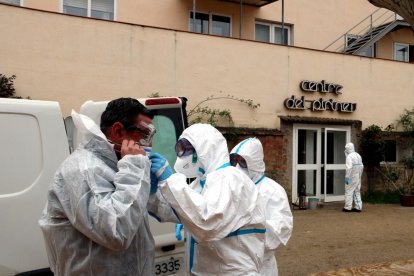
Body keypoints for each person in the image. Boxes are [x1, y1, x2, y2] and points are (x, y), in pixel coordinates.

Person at [39, 97, 156, 275]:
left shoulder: (116, 167)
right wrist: (135, 169)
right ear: (118, 130)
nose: (149, 144)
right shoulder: (83, 169)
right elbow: (116, 232)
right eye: (145, 135)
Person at [148, 123, 266, 275]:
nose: (182, 155)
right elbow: (180, 210)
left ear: (204, 149)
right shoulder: (203, 183)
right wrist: (152, 195)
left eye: (186, 149)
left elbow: (207, 222)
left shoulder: (231, 179)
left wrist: (170, 180)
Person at [230, 137, 293, 276]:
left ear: (254, 162)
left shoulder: (272, 190)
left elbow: (281, 230)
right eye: (236, 161)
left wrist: (247, 228)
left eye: (243, 161)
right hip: (233, 264)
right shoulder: (232, 186)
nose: (238, 166)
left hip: (262, 267)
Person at [343, 142, 364, 212]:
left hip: (351, 177)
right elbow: (361, 166)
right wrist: (359, 176)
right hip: (357, 176)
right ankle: (358, 207)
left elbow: (349, 168)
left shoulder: (349, 156)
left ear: (348, 149)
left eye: (346, 149)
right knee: (356, 191)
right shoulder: (358, 155)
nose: (345, 150)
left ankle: (347, 207)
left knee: (349, 191)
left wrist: (347, 177)